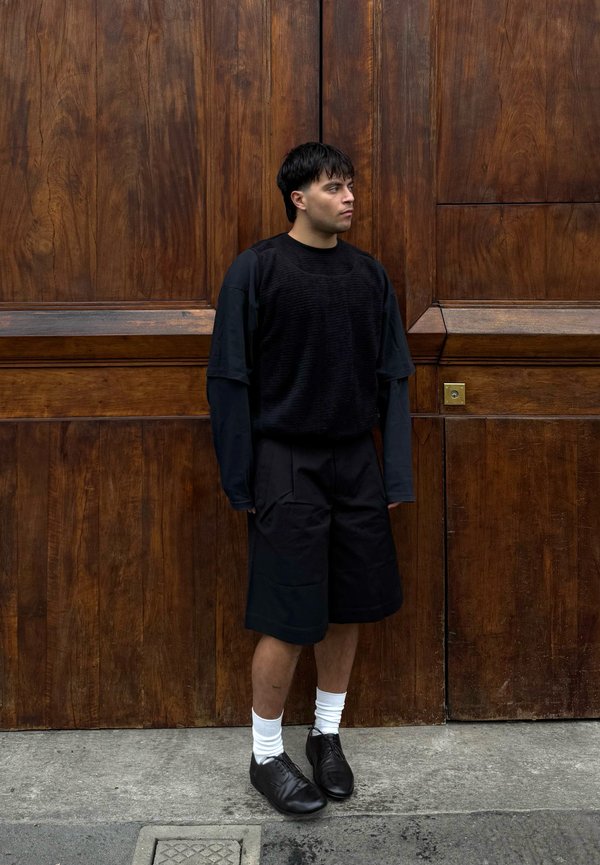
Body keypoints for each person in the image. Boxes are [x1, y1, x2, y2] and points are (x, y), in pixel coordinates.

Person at [207, 142, 414, 816]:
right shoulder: (257, 269)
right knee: (289, 614)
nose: (349, 196)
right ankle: (266, 754)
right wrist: (241, 479)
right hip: (285, 460)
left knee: (349, 604)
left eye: (350, 185)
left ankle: (326, 736)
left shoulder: (368, 275)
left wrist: (394, 470)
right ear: (299, 197)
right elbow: (229, 377)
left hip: (354, 459)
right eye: (333, 187)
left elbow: (394, 375)